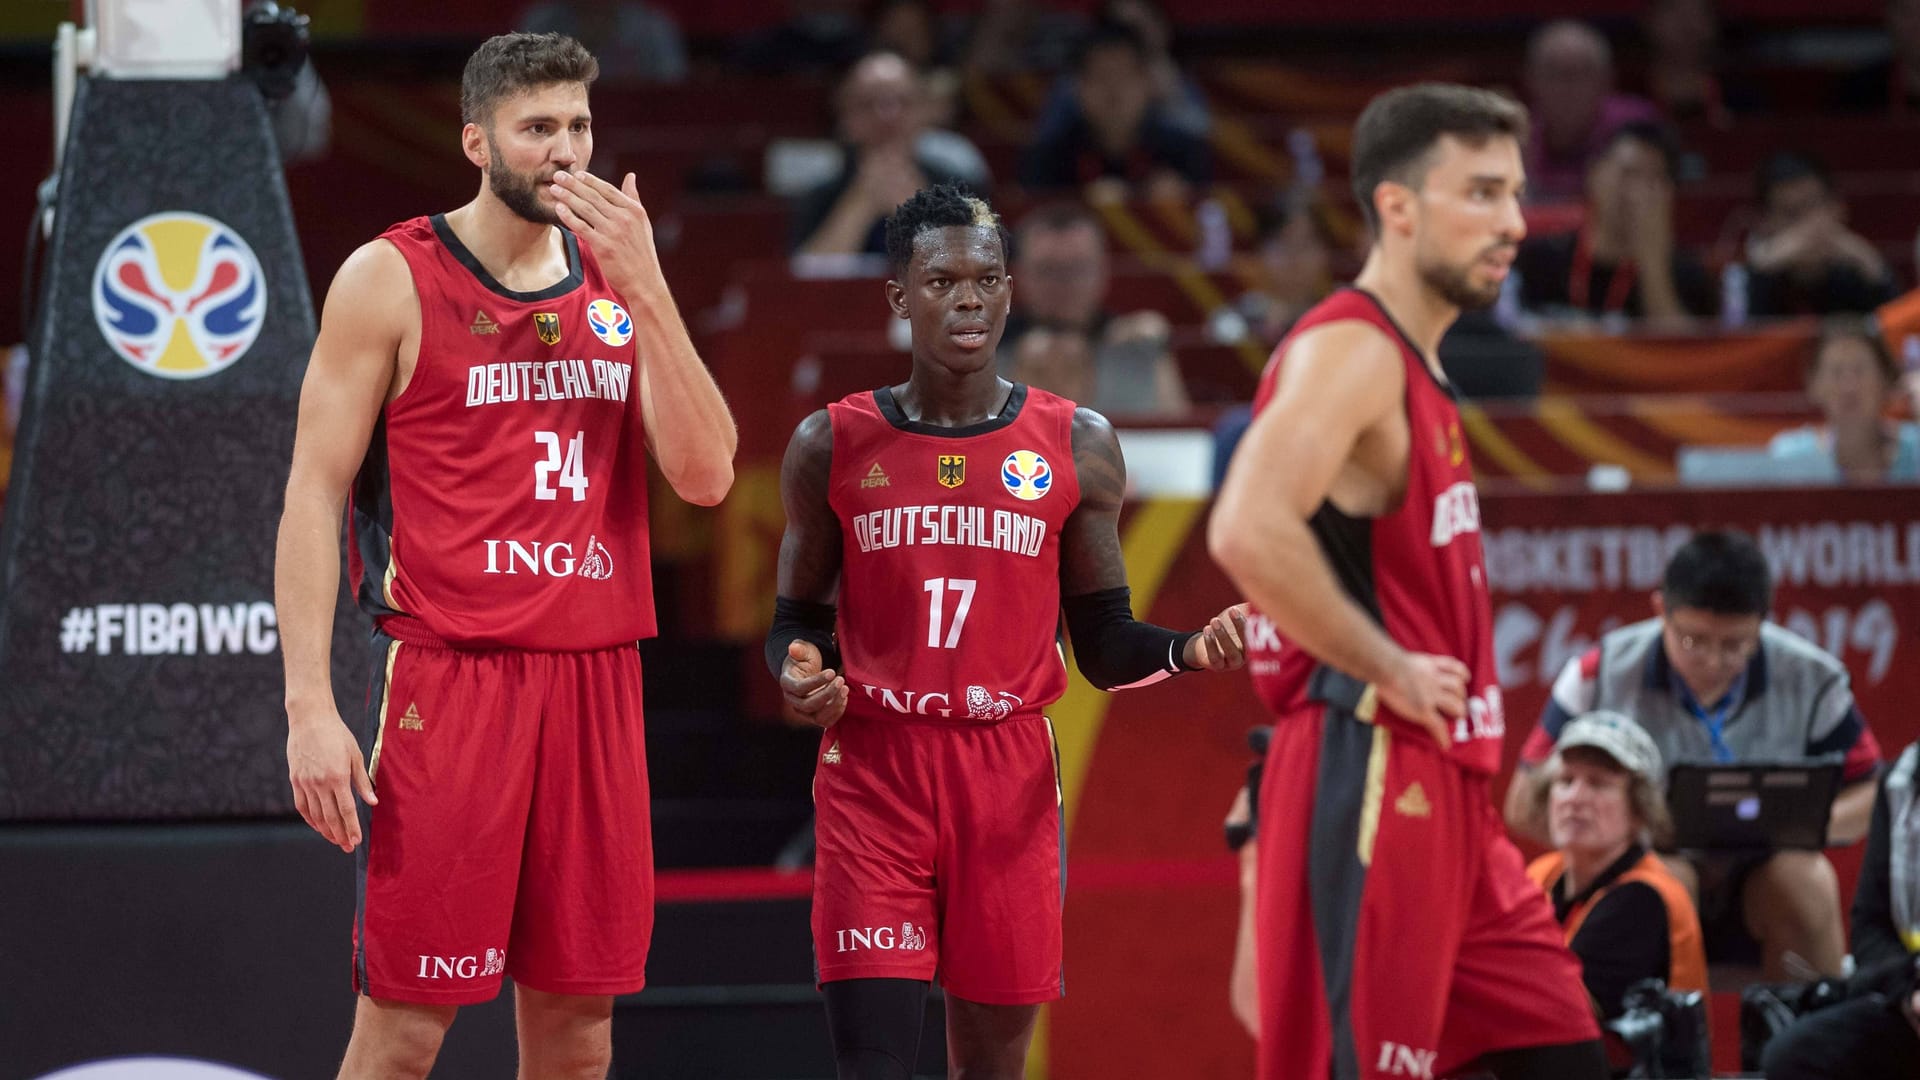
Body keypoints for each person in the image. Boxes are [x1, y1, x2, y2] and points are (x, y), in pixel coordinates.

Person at [275, 32, 736, 1079]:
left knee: (579, 1036)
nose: (565, 153)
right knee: (404, 1033)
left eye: (579, 127)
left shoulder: (626, 292)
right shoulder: (390, 278)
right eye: (538, 130)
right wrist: (309, 705)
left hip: (596, 681)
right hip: (452, 681)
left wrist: (649, 288)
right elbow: (311, 494)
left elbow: (707, 477)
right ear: (477, 141)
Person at [768, 183, 1248, 1079]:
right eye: (943, 280)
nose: (970, 299)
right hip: (875, 770)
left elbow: (1104, 643)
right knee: (874, 1065)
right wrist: (802, 672)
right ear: (899, 296)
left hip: (1009, 779)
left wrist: (1189, 649)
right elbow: (796, 621)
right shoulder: (830, 442)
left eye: (987, 279)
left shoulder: (1077, 442)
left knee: (990, 1069)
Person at [1209, 83, 1608, 1080]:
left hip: (1453, 796)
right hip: (1374, 759)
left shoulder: (1420, 367)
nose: (1513, 223)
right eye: (1480, 193)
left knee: (1554, 1053)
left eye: (1515, 195)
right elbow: (1246, 525)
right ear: (1398, 206)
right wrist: (1384, 662)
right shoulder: (1352, 350)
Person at [1502, 531, 1883, 981]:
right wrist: (1617, 840)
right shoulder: (1598, 673)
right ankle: (1657, 1042)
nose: (1712, 660)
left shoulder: (1815, 678)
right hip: (1657, 862)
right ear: (1660, 608)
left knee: (1805, 878)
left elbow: (1871, 790)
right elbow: (1523, 802)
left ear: (1764, 621)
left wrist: (1797, 825)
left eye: (1735, 644)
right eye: (1693, 640)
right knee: (1655, 884)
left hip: (1764, 880)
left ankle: (1803, 1041)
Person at [1519, 712, 1708, 1019]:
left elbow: (1561, 1017)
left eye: (1598, 784)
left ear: (1639, 809)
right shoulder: (1542, 873)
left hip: (1625, 1067)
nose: (1575, 798)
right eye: (1566, 781)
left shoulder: (1643, 898)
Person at [1762, 738, 1920, 1078]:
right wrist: (1910, 990)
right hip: (1912, 995)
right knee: (1794, 1056)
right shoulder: (1900, 782)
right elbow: (1869, 928)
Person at [1511, 121, 1715, 327]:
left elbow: (1687, 356)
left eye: (1652, 179)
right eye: (1629, 173)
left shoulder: (1688, 275)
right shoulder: (1540, 261)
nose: (1637, 192)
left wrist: (1653, 267)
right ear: (1594, 174)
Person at [790, 51, 990, 257]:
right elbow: (803, 280)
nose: (887, 115)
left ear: (923, 112)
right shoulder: (819, 193)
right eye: (869, 103)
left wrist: (916, 213)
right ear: (845, 117)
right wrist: (860, 206)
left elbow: (976, 271)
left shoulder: (959, 188)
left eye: (901, 101)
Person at [1001, 203, 1190, 416]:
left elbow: (1176, 434)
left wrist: (1159, 353)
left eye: (1078, 269)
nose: (1064, 283)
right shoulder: (988, 348)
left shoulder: (1138, 344)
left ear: (1103, 270)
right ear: (1018, 275)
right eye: (1047, 270)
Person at [1018, 21, 1211, 200]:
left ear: (1147, 82)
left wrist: (1182, 199)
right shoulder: (1048, 156)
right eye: (1101, 77)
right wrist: (1082, 201)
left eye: (1124, 76)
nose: (1113, 90)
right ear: (1078, 87)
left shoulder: (1184, 150)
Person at [1741, 152, 1898, 318]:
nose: (1804, 228)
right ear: (1766, 220)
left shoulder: (1858, 270)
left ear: (1837, 208)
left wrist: (1872, 265)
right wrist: (1757, 269)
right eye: (1790, 213)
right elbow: (1735, 331)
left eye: (1812, 207)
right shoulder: (1759, 275)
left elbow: (1900, 333)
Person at [1522, 20, 1663, 204]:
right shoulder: (1520, 139)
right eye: (1554, 73)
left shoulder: (1636, 124)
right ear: (1531, 80)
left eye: (1581, 73)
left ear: (1606, 81)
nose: (1567, 87)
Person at [1769, 320, 1920, 482]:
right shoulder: (1790, 456)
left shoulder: (1916, 448)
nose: (1849, 386)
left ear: (1887, 380)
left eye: (1860, 370)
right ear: (1814, 385)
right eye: (1836, 372)